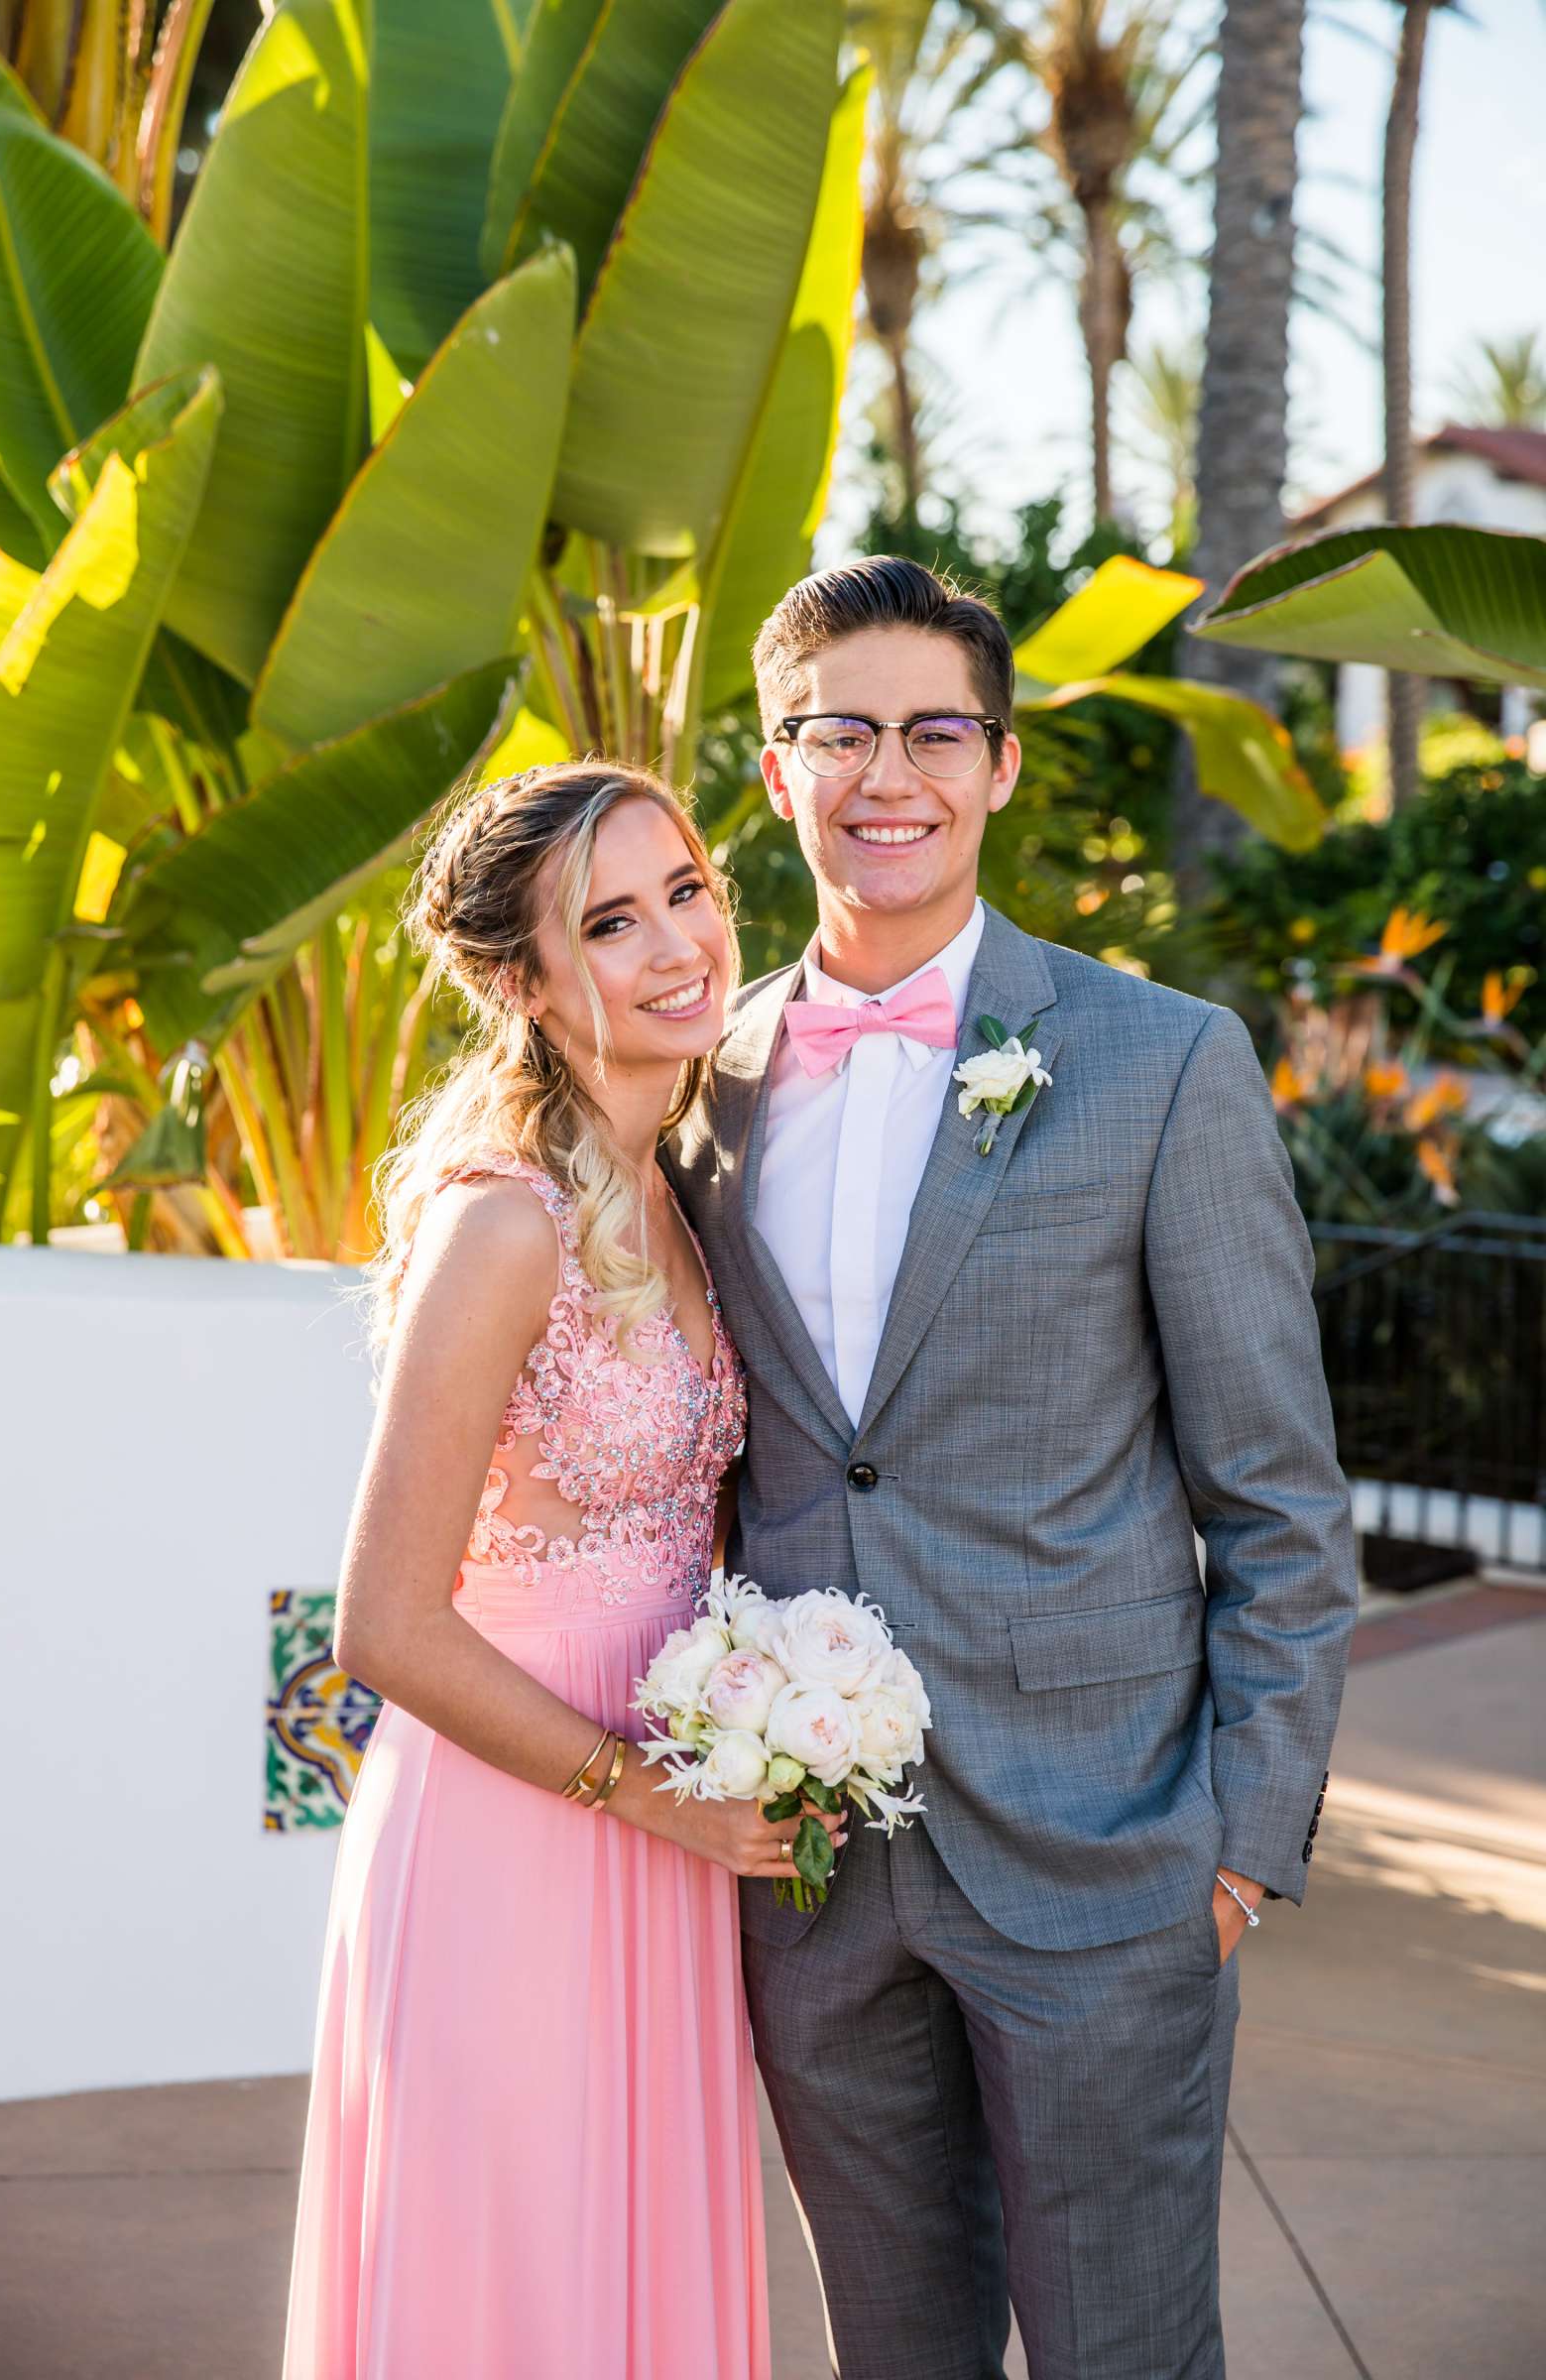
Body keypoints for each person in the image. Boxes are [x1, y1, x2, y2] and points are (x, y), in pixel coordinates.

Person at [667, 556, 1359, 2380]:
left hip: (1105, 1849)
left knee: (1123, 2349)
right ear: (775, 763)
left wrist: (1237, 1845)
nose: (887, 772)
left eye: (934, 729)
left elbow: (1277, 1500)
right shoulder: (694, 1090)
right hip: (815, 1869)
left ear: (999, 766)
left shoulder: (1162, 1063)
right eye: (841, 730)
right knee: (891, 2350)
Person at [282, 762, 842, 2378]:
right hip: (518, 1830)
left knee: (630, 2290)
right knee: (519, 2286)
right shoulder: (502, 1224)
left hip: (666, 1834)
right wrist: (645, 1791)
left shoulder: (689, 1187)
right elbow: (382, 1622)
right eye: (611, 921)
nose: (679, 944)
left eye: (688, 890)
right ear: (517, 980)